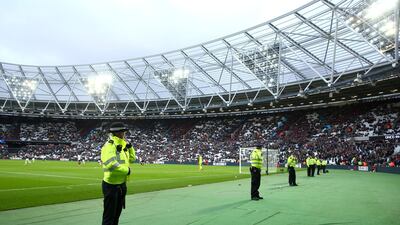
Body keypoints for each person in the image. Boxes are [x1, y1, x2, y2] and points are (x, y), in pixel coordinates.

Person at [101, 122, 136, 225]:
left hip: (121, 184)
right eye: (123, 132)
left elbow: (132, 159)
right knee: (109, 216)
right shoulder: (110, 145)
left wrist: (131, 148)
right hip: (111, 185)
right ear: (118, 133)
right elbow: (110, 164)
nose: (124, 134)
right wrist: (127, 171)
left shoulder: (123, 144)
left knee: (116, 215)